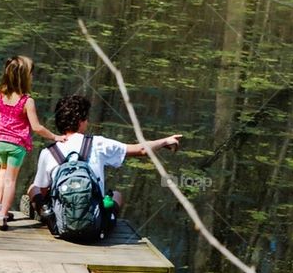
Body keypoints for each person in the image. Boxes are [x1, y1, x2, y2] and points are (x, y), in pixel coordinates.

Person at [27, 94, 181, 236]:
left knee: (33, 188)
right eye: (86, 118)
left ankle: (49, 217)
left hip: (63, 226)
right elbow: (141, 149)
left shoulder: (49, 152)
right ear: (81, 121)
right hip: (94, 226)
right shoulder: (97, 143)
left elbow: (43, 190)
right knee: (116, 195)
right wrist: (165, 141)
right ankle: (108, 219)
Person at [0, 55, 57, 230]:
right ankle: (2, 216)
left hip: (0, 141)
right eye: (31, 74)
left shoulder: (0, 95)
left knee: (2, 173)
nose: (32, 77)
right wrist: (55, 137)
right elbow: (37, 127)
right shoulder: (27, 101)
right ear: (25, 77)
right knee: (11, 180)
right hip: (16, 146)